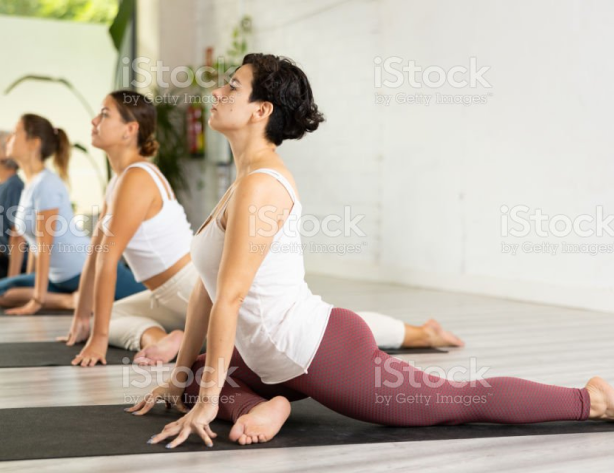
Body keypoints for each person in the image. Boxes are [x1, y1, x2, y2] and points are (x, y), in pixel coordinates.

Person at [128, 53, 614, 449]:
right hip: (270, 357)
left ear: (262, 110)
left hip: (318, 351)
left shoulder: (263, 187)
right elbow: (207, 293)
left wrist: (210, 403)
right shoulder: (239, 185)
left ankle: (591, 400)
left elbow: (230, 298)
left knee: (454, 402)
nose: (217, 93)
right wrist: (181, 384)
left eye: (232, 87)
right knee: (192, 371)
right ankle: (263, 405)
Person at [64, 90, 463, 367]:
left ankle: (419, 333)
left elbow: (109, 260)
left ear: (130, 129)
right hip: (163, 293)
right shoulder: (119, 180)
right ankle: (161, 339)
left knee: (315, 328)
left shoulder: (136, 178)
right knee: (110, 316)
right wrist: (84, 319)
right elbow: (97, 253)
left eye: (105, 114)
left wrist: (97, 340)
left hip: (187, 285)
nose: (94, 121)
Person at [0, 114, 144, 315]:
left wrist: (37, 299)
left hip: (86, 269)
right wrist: (23, 282)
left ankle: (70, 300)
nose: (8, 139)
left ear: (33, 143)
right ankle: (70, 300)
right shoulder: (29, 185)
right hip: (58, 279)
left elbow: (44, 244)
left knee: (149, 299)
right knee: (3, 289)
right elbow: (29, 243)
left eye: (15, 133)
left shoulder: (46, 184)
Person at [0, 133, 25, 278]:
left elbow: (18, 236)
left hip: (11, 265)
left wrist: (12, 281)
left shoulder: (14, 186)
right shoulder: (4, 186)